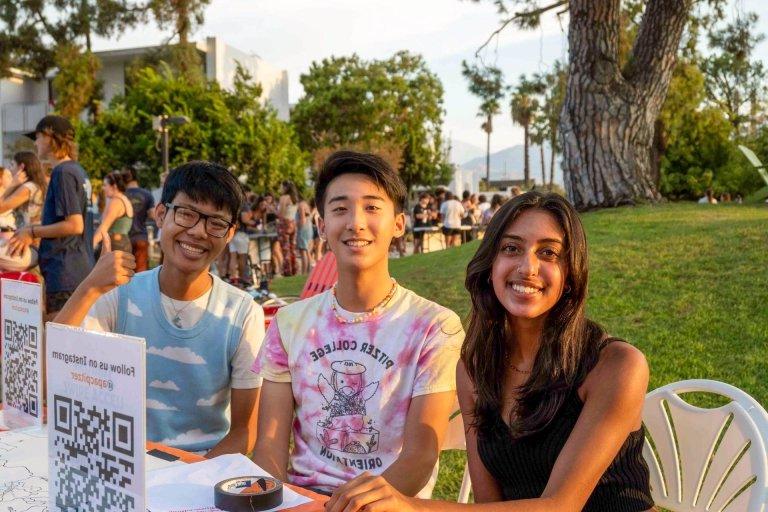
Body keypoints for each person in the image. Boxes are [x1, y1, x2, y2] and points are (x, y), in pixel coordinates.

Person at [325, 191, 653, 512]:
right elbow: (489, 505)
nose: (528, 267)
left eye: (549, 253)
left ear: (570, 276)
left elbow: (560, 506)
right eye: (511, 248)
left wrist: (412, 507)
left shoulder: (616, 366)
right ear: (491, 265)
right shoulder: (474, 370)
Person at [252, 151, 463, 498]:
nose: (355, 222)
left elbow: (420, 457)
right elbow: (269, 447)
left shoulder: (434, 327)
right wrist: (272, 499)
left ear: (398, 223)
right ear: (321, 226)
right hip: (304, 500)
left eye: (372, 207)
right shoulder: (289, 324)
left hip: (389, 503)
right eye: (340, 209)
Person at [53, 161, 264, 457]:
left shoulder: (242, 314)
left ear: (229, 234)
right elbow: (55, 370)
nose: (199, 232)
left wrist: (188, 477)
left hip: (202, 470)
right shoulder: (119, 294)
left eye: (215, 223)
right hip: (123, 462)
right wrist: (88, 288)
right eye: (187, 214)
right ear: (161, 214)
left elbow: (245, 432)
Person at [8, 115, 94, 319]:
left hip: (65, 270)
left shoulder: (62, 172)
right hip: (78, 266)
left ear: (49, 136)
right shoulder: (77, 170)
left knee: (59, 341)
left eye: (37, 137)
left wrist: (31, 231)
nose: (35, 143)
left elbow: (74, 225)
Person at [0, 152, 47, 272]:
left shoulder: (29, 187)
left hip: (30, 249)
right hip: (26, 247)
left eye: (12, 165)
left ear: (21, 167)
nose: (10, 169)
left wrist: (12, 184)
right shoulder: (34, 186)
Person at [123, 166, 156, 272]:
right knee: (141, 273)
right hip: (141, 237)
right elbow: (153, 215)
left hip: (124, 239)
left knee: (124, 273)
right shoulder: (147, 194)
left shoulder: (121, 195)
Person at [94, 171, 134, 254]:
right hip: (124, 244)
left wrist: (91, 245)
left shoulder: (116, 202)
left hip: (115, 246)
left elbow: (104, 227)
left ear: (114, 186)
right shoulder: (125, 199)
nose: (103, 188)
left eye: (105, 185)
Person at [277, 181, 299, 276]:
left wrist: (272, 209)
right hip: (293, 223)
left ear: (285, 188)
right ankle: (294, 270)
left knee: (285, 249)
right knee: (292, 249)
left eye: (281, 186)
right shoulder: (294, 198)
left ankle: (287, 271)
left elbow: (280, 214)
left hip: (285, 224)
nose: (280, 188)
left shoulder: (284, 198)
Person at [296, 196, 313, 274]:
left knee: (303, 252)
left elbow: (302, 220)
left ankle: (304, 272)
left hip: (303, 230)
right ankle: (308, 272)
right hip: (308, 229)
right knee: (308, 252)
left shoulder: (301, 205)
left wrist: (296, 226)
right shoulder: (306, 204)